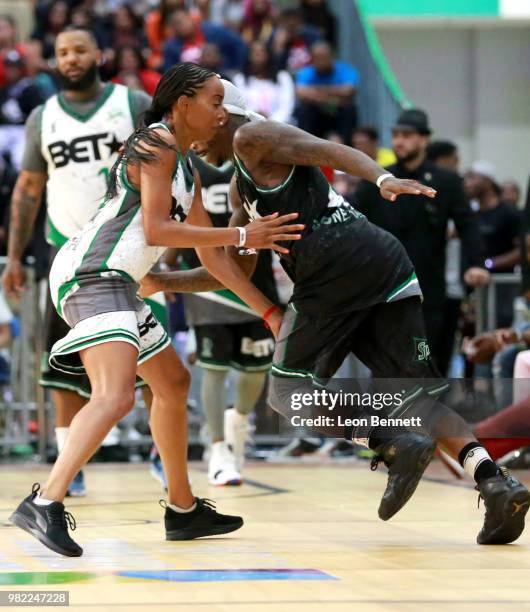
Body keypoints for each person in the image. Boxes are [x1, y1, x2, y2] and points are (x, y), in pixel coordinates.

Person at [142, 80, 530, 545]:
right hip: (386, 267)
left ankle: (389, 440)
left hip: (334, 267)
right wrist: (165, 282)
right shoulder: (242, 181)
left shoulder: (253, 137)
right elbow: (232, 266)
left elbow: (330, 148)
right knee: (415, 398)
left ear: (224, 114)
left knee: (287, 392)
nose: (198, 138)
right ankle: (495, 483)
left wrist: (381, 178)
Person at [8, 63, 303, 557]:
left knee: (171, 382)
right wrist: (242, 234)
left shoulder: (186, 164)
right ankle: (45, 501)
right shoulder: (156, 143)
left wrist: (269, 312)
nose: (221, 113)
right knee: (115, 395)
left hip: (119, 282)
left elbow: (212, 258)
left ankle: (183, 510)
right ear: (182, 102)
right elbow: (157, 231)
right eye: (214, 101)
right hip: (92, 274)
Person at [1, 26, 154, 498]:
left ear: (99, 54)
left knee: (155, 360)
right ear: (53, 60)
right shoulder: (42, 117)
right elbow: (28, 189)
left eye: (79, 50)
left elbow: (165, 172)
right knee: (63, 365)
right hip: (68, 255)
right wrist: (15, 258)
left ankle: (161, 455)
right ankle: (73, 462)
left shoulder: (132, 105)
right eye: (62, 51)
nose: (70, 58)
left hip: (131, 250)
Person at [354, 109, 490, 375]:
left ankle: (428, 412)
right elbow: (352, 220)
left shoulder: (446, 181)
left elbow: (468, 224)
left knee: (425, 355)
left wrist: (476, 263)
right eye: (395, 135)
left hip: (428, 290)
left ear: (424, 140)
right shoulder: (378, 179)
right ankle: (388, 412)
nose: (399, 142)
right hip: (384, 288)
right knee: (385, 359)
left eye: (406, 135)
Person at [182, 138, 278, 485]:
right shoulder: (188, 164)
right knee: (214, 368)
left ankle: (237, 421)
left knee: (256, 370)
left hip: (255, 278)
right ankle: (218, 450)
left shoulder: (254, 161)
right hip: (206, 277)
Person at [464, 160, 522, 328]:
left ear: (487, 180)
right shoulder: (470, 215)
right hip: (474, 289)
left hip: (502, 288)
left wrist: (489, 264)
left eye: (472, 178)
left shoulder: (510, 213)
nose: (467, 184)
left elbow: (521, 251)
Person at [295, 41, 359, 144]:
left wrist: (316, 90)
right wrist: (331, 99)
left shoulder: (345, 69)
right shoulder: (306, 72)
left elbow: (349, 91)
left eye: (324, 57)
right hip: (318, 112)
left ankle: (346, 145)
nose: (322, 61)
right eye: (318, 57)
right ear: (313, 59)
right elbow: (301, 93)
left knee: (349, 109)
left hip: (338, 113)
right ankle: (307, 145)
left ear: (331, 56)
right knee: (304, 110)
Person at [163, 7, 247, 74]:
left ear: (190, 18)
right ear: (173, 29)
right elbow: (170, 73)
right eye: (177, 24)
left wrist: (233, 69)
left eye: (184, 20)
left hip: (220, 75)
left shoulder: (213, 31)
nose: (182, 25)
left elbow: (239, 44)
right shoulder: (171, 48)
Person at [233, 40, 295, 124]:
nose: (257, 56)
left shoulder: (283, 78)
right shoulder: (240, 79)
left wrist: (270, 122)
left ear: (269, 55)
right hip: (249, 126)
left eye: (261, 52)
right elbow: (239, 107)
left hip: (280, 126)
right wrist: (256, 117)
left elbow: (287, 107)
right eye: (254, 52)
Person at [269, 8, 322, 73]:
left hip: (310, 76)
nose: (291, 23)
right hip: (285, 76)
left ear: (301, 22)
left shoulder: (311, 35)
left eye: (295, 20)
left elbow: (321, 59)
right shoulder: (275, 37)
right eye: (287, 20)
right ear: (281, 23)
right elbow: (273, 67)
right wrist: (279, 47)